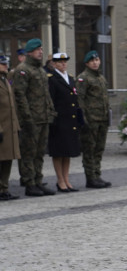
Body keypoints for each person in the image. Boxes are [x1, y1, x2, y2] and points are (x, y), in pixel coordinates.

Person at [12, 39, 56, 196]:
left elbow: (46, 94)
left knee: (39, 152)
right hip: (31, 119)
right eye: (37, 49)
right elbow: (20, 96)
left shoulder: (40, 70)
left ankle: (38, 180)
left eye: (41, 49)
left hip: (43, 117)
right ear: (29, 52)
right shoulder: (23, 70)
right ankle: (29, 183)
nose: (40, 52)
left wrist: (50, 111)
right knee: (28, 152)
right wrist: (27, 118)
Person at [46, 52, 82, 193]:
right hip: (59, 120)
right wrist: (53, 119)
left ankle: (66, 179)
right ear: (54, 64)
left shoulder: (70, 78)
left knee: (67, 152)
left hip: (70, 119)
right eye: (60, 62)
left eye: (65, 62)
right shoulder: (52, 79)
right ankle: (60, 180)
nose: (63, 64)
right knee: (58, 152)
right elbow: (51, 101)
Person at [76, 50, 111, 189]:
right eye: (92, 61)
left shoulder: (101, 78)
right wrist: (83, 119)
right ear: (87, 63)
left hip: (102, 118)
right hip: (91, 120)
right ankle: (90, 177)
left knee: (99, 148)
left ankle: (97, 174)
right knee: (89, 149)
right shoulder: (83, 78)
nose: (95, 63)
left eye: (97, 60)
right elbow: (80, 99)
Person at [0, 53, 21, 201]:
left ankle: (4, 189)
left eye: (7, 64)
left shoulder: (5, 81)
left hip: (10, 127)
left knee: (8, 159)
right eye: (3, 64)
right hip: (2, 128)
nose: (6, 66)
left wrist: (16, 126)